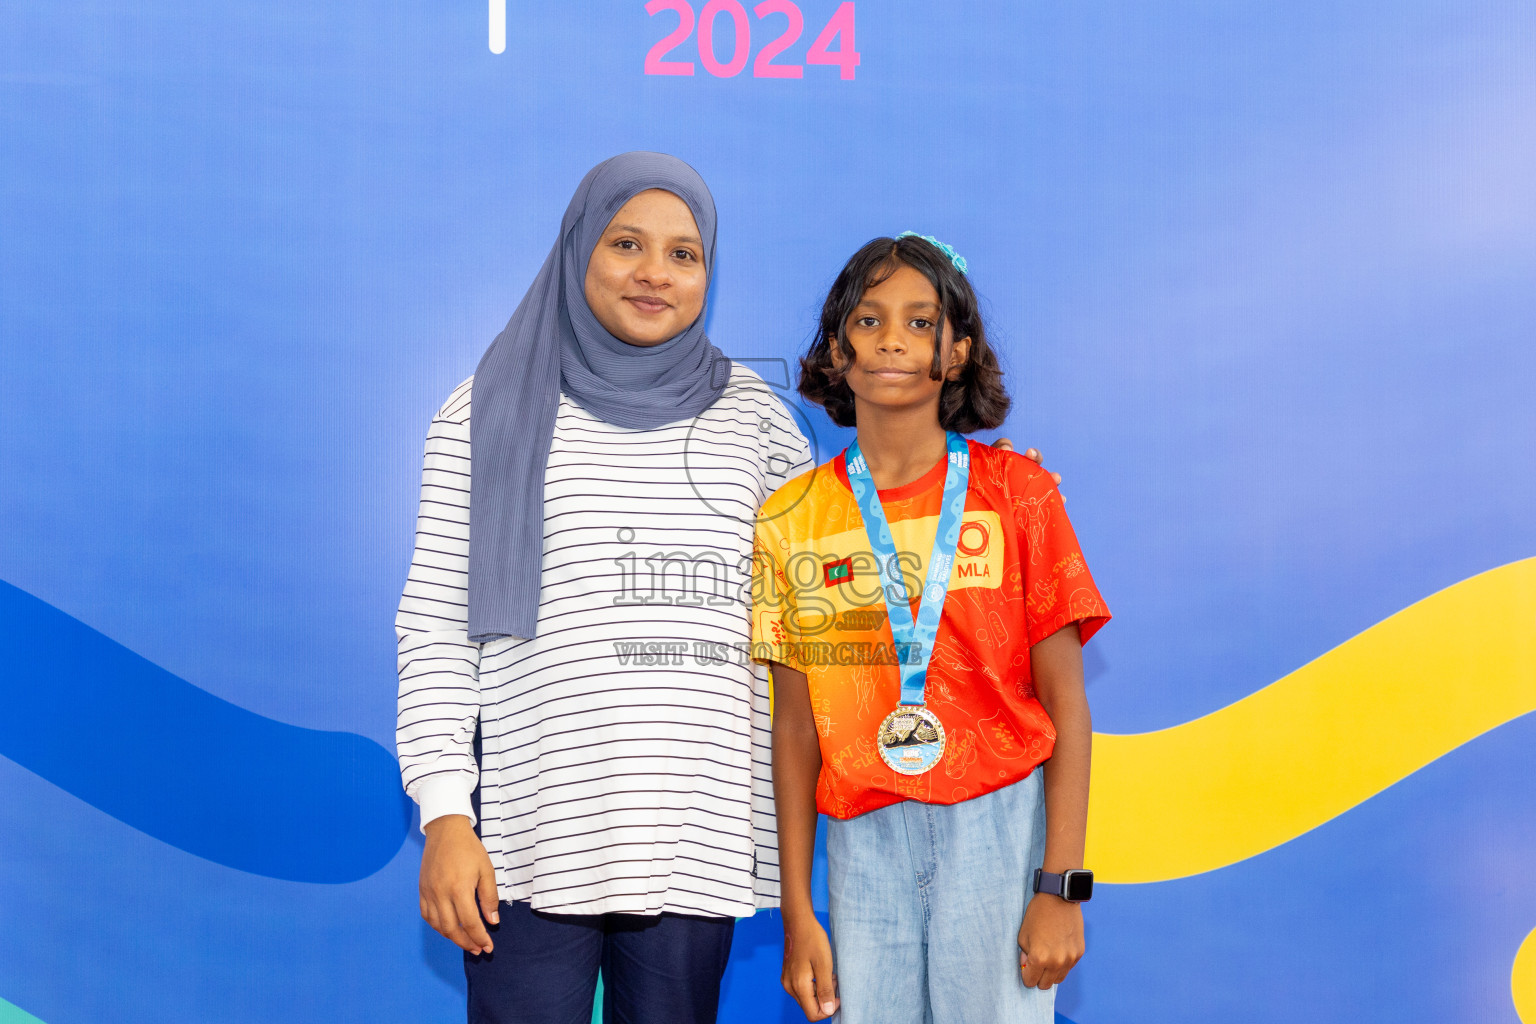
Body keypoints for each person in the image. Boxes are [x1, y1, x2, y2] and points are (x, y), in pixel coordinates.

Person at [396, 155, 1049, 1024]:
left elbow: (837, 579)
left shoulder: (757, 423)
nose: (654, 273)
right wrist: (445, 815)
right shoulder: (483, 411)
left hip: (695, 842)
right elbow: (438, 631)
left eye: (683, 253)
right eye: (627, 244)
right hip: (525, 845)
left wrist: (989, 504)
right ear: (578, 249)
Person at [754, 233, 1110, 1024]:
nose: (892, 339)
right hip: (860, 835)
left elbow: (1069, 705)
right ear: (837, 349)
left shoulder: (1018, 494)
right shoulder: (791, 517)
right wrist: (796, 909)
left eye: (920, 324)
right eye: (869, 319)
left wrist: (1060, 885)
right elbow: (793, 728)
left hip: (999, 826)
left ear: (956, 353)